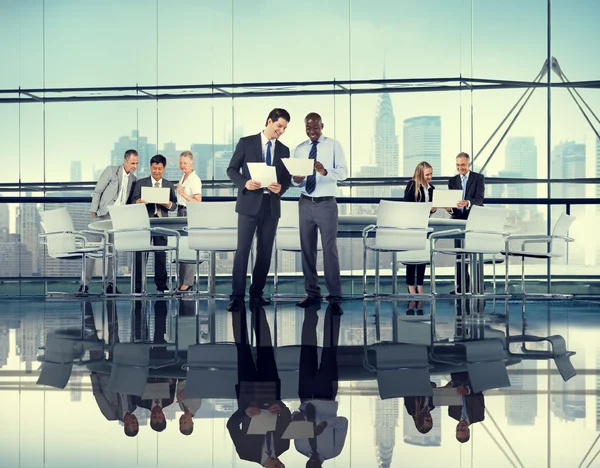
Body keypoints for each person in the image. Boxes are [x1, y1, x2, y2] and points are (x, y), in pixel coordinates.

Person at [226, 108, 292, 312]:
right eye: (279, 126)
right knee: (242, 251)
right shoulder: (246, 142)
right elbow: (231, 169)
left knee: (264, 253)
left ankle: (257, 293)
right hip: (248, 205)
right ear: (269, 121)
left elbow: (286, 180)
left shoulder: (284, 150)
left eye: (285, 128)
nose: (281, 131)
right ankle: (237, 296)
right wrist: (245, 183)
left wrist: (281, 187)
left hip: (270, 206)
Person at [291, 113, 347, 314]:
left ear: (322, 125)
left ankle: (335, 298)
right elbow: (294, 181)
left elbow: (344, 173)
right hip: (305, 202)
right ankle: (312, 294)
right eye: (308, 128)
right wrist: (297, 180)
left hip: (326, 204)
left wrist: (324, 172)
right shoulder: (299, 149)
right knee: (307, 250)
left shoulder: (333, 145)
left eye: (315, 127)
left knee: (329, 250)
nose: (312, 131)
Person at [227, 301, 291, 467]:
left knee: (243, 348)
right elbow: (287, 417)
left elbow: (231, 426)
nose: (279, 466)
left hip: (248, 395)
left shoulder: (245, 453)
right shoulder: (284, 446)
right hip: (270, 391)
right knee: (265, 347)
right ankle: (257, 305)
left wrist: (245, 413)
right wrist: (280, 407)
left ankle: (237, 305)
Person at [293, 303, 347, 467]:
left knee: (307, 348)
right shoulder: (333, 451)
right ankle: (333, 309)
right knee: (329, 350)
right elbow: (343, 422)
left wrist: (297, 419)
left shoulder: (300, 447)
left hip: (305, 395)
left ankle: (311, 309)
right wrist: (324, 425)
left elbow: (296, 416)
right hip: (326, 395)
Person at [85, 149, 139, 294]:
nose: (135, 166)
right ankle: (84, 285)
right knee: (91, 249)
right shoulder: (111, 171)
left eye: (137, 163)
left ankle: (110, 285)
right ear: (125, 161)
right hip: (102, 215)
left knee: (113, 252)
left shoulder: (133, 179)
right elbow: (97, 191)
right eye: (133, 163)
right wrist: (93, 212)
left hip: (118, 218)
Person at [130, 154, 178, 293]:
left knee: (161, 255)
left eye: (159, 169)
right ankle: (138, 286)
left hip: (161, 223)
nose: (156, 172)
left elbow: (174, 206)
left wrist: (167, 203)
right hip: (144, 222)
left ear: (164, 169)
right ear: (150, 167)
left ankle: (161, 285)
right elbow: (132, 201)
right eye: (154, 168)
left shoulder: (168, 185)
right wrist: (139, 201)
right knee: (140, 255)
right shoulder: (141, 183)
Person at [447, 152, 485, 293]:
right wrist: (449, 209)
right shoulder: (452, 181)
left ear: (468, 164)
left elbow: (479, 199)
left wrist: (467, 202)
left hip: (474, 220)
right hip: (458, 222)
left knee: (474, 253)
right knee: (460, 254)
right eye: (457, 165)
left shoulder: (478, 178)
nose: (460, 168)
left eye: (462, 165)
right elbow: (452, 205)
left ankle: (478, 285)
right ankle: (462, 286)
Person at [403, 161, 437, 294]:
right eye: (427, 174)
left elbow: (430, 210)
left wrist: (432, 209)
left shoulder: (432, 188)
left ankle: (420, 284)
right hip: (413, 224)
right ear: (420, 174)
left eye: (431, 174)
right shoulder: (412, 185)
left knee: (423, 253)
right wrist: (426, 207)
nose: (429, 177)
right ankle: (411, 284)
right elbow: (407, 205)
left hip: (425, 224)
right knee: (413, 254)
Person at [175, 151, 202, 292]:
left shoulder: (194, 179)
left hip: (189, 212)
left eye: (185, 163)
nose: (182, 165)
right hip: (181, 212)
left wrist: (183, 194)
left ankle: (188, 282)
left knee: (189, 248)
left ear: (192, 163)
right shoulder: (184, 177)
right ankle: (182, 281)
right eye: (180, 163)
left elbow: (198, 201)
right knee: (183, 247)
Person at [446, 372, 485, 443]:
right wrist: (467, 392)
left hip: (456, 375)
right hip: (473, 377)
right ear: (468, 430)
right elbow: (479, 395)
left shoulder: (452, 413)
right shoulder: (479, 416)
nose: (460, 427)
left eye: (457, 430)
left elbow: (452, 391)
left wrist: (446, 388)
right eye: (463, 430)